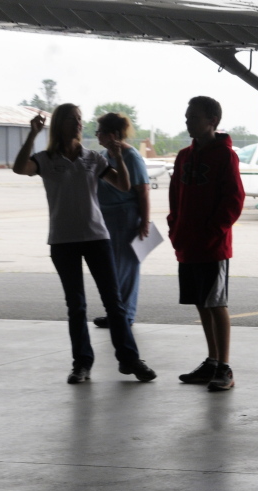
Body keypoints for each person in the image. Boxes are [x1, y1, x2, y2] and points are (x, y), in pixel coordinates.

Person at [12, 104, 157, 384]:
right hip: (63, 240)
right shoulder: (45, 158)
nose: (79, 124)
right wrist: (32, 136)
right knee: (76, 305)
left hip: (96, 237)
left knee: (114, 304)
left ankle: (129, 360)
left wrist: (118, 157)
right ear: (60, 125)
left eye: (80, 119)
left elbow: (124, 186)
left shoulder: (93, 158)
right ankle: (82, 364)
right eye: (72, 119)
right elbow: (20, 168)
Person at [167, 96, 245, 392]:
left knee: (216, 303)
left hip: (213, 246)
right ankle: (212, 361)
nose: (187, 121)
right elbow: (175, 196)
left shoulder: (226, 156)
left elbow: (234, 200)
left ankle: (224, 366)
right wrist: (175, 228)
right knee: (200, 302)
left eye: (193, 117)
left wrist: (213, 230)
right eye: (187, 116)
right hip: (187, 244)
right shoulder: (184, 156)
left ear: (212, 121)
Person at [92, 112, 150, 329]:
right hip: (106, 216)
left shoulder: (130, 156)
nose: (97, 136)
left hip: (124, 216)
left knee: (125, 267)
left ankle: (124, 315)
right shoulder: (103, 155)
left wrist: (144, 222)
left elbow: (143, 191)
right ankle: (116, 312)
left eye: (101, 132)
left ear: (114, 135)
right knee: (113, 268)